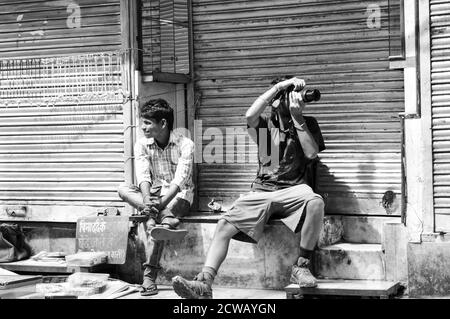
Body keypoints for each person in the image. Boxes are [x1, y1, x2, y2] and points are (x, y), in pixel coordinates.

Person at [171, 76, 326, 299]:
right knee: (224, 223)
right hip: (262, 190)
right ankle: (204, 283)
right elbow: (249, 115)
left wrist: (297, 117)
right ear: (274, 100)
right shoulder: (265, 125)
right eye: (286, 96)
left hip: (294, 190)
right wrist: (279, 88)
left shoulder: (307, 122)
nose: (294, 98)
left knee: (316, 201)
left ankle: (301, 267)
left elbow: (311, 153)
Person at [118, 98, 194, 296]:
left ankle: (149, 277)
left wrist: (157, 207)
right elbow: (143, 175)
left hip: (180, 196)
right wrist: (147, 201)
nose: (143, 127)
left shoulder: (185, 144)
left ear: (163, 123)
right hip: (153, 195)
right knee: (123, 189)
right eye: (143, 122)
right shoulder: (142, 144)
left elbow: (180, 181)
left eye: (147, 123)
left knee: (156, 228)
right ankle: (168, 222)